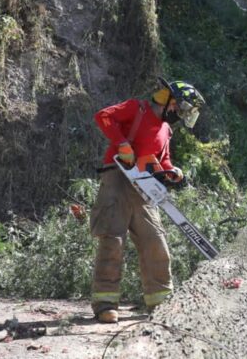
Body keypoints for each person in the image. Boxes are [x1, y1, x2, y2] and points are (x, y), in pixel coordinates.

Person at [90, 78, 205, 323]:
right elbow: (103, 116)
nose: (180, 114)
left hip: (144, 188)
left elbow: (162, 161)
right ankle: (105, 303)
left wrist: (172, 171)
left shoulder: (166, 129)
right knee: (113, 241)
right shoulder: (136, 109)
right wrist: (122, 143)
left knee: (156, 243)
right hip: (118, 180)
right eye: (180, 108)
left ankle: (161, 302)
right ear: (169, 100)